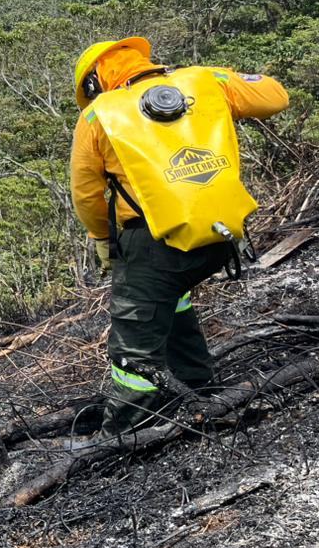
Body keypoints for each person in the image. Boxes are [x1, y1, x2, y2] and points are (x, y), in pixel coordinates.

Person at [69, 37, 288, 432]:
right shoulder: (203, 81)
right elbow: (275, 96)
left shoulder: (97, 116)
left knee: (133, 342)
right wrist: (216, 78)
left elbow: (86, 194)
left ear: (93, 84)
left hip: (155, 247)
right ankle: (198, 387)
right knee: (173, 301)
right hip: (221, 239)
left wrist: (103, 238)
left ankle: (126, 431)